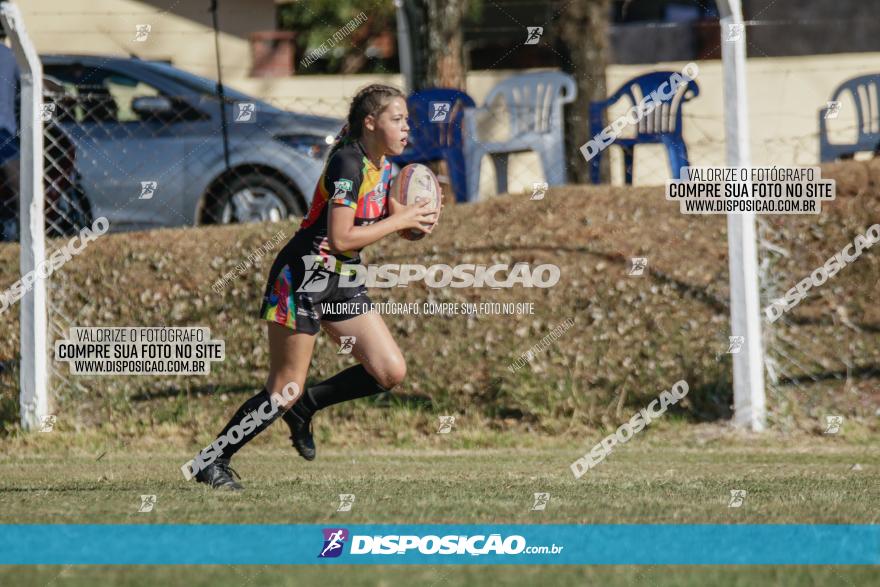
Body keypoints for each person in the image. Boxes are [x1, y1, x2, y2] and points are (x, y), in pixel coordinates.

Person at [192, 84, 441, 490]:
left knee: (389, 370)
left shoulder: (385, 168)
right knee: (284, 387)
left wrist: (413, 221)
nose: (406, 128)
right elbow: (341, 237)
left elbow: (374, 225)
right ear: (370, 122)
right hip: (303, 278)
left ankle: (307, 407)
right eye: (397, 120)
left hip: (342, 281)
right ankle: (212, 459)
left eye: (408, 121)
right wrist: (401, 220)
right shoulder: (348, 162)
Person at [0, 26, 20, 242]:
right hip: (3, 130)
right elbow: (30, 82)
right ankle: (25, 226)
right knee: (22, 187)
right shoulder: (10, 56)